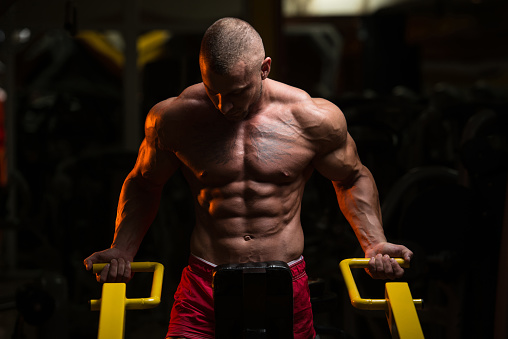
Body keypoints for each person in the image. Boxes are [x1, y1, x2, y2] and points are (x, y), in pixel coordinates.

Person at [84, 17, 413, 339]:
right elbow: (144, 182)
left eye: (238, 92)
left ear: (264, 69)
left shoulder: (311, 119)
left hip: (284, 279)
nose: (225, 106)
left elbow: (352, 178)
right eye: (214, 91)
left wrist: (374, 244)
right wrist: (122, 250)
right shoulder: (174, 119)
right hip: (204, 280)